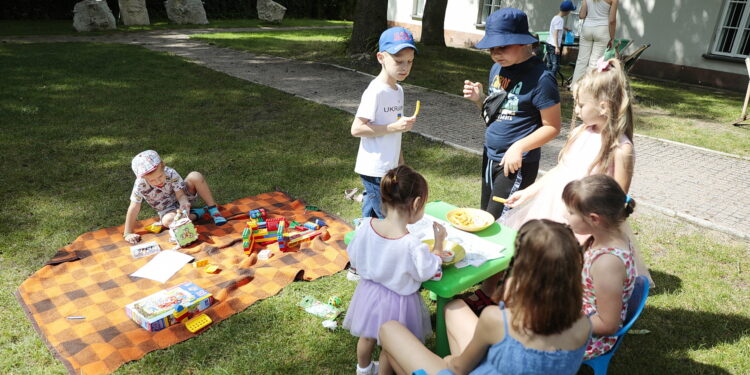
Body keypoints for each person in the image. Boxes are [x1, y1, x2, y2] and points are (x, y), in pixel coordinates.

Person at [378, 219, 591, 375]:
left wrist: (449, 360)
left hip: (463, 370)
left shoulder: (499, 320)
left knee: (389, 331)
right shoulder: (584, 325)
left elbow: (459, 368)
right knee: (453, 307)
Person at [343, 165, 448, 375]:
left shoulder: (366, 226)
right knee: (391, 345)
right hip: (399, 302)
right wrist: (438, 245)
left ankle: (363, 370)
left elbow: (353, 255)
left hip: (369, 293)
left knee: (367, 336)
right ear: (417, 203)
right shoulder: (411, 244)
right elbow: (427, 271)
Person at [462, 8, 561, 220]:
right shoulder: (497, 69)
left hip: (517, 163)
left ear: (524, 42)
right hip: (490, 156)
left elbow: (553, 127)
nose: (496, 53)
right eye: (491, 48)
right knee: (485, 217)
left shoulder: (542, 78)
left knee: (501, 224)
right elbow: (493, 116)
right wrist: (480, 99)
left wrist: (519, 146)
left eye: (503, 46)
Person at [562, 174, 637, 360]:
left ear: (594, 219)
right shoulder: (604, 237)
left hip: (587, 338)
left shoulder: (607, 263)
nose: (565, 215)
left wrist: (556, 321)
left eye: (571, 212)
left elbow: (607, 324)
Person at [351, 26, 418, 220]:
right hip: (374, 168)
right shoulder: (376, 91)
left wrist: (400, 163)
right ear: (381, 57)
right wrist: (392, 127)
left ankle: (363, 238)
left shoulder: (398, 90)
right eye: (398, 61)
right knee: (389, 217)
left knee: (372, 212)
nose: (405, 67)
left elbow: (394, 132)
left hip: (389, 166)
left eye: (410, 61)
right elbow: (356, 129)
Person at [123, 150, 226, 244]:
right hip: (167, 209)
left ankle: (213, 210)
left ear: (163, 166)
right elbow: (134, 207)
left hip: (182, 197)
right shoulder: (140, 184)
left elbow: (180, 194)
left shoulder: (170, 173)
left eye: (160, 176)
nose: (158, 181)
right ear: (143, 178)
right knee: (168, 221)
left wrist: (184, 202)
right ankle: (199, 213)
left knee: (195, 176)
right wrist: (127, 233)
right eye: (152, 180)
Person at [571, 0, 619, 86]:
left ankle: (575, 87)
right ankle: (589, 89)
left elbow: (582, 15)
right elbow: (612, 20)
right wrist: (612, 38)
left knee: (581, 60)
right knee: (595, 62)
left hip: (587, 28)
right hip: (602, 29)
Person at [545, 1, 577, 77]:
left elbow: (556, 28)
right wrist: (556, 47)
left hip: (548, 43)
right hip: (553, 45)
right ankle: (551, 80)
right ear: (568, 11)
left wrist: (564, 28)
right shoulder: (560, 20)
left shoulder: (556, 17)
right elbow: (555, 33)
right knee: (555, 65)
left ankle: (546, 78)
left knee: (549, 64)